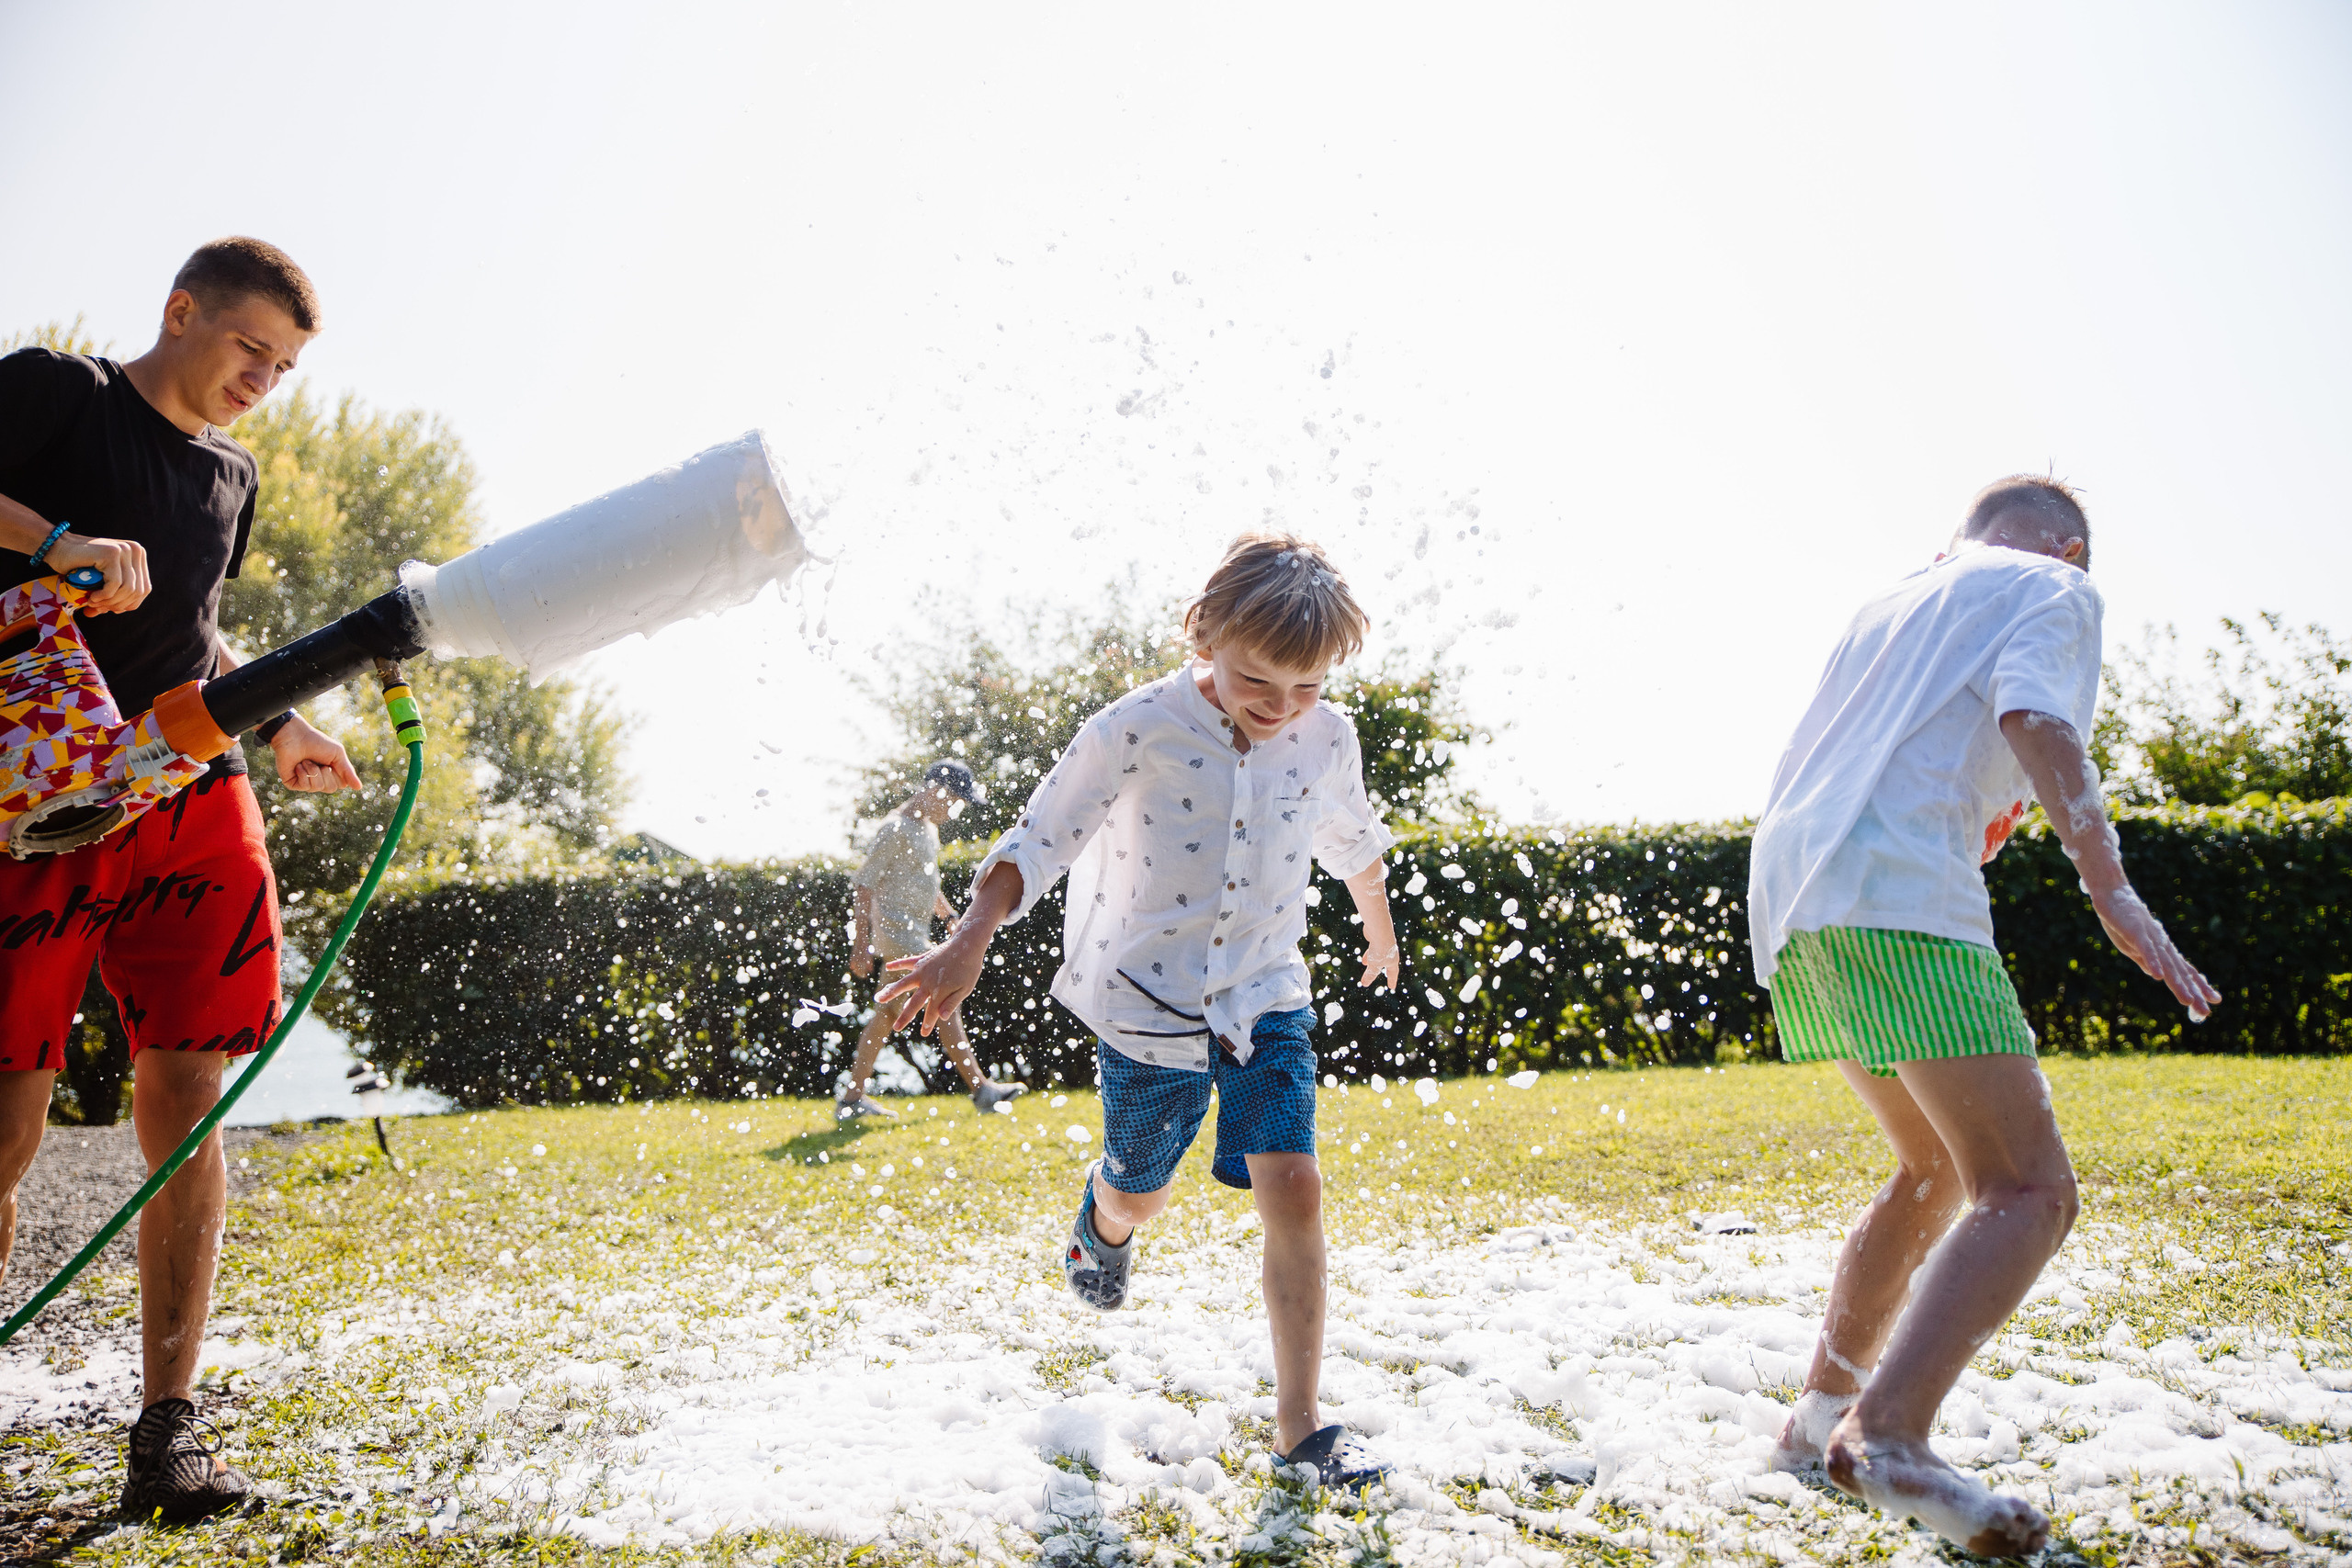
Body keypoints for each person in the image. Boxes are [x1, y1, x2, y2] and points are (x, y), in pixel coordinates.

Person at [1748, 477, 2220, 1555]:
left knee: (1932, 1168)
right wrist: (2112, 890)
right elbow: (2037, 716)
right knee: (2029, 1188)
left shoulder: (1897, 601)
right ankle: (1890, 1437)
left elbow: (1911, 758)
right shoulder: (2053, 583)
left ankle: (1814, 1419)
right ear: (2067, 549)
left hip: (1792, 895)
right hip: (1892, 893)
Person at [879, 532, 1403, 1484]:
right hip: (1147, 1003)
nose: (1283, 709)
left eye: (1309, 688)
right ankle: (1103, 1226)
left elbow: (1348, 832)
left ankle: (1301, 1429)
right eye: (1259, 682)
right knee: (1142, 1191)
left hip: (1264, 994)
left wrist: (1379, 925)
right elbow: (1041, 835)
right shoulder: (1138, 725)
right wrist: (970, 937)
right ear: (1202, 635)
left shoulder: (1327, 736)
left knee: (1293, 1183)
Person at [0, 238, 361, 1523]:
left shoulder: (231, 471)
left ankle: (167, 1432)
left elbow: (195, 627)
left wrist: (280, 724)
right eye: (248, 348)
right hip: (36, 795)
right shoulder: (58, 393)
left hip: (188, 790)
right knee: (11, 1117)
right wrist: (52, 539)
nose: (262, 378)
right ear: (180, 310)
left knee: (191, 1092)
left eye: (285, 366)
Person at [841, 760, 1026, 1117]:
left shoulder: (927, 830)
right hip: (900, 939)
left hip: (914, 936)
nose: (954, 811)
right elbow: (864, 885)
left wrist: (951, 916)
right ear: (933, 790)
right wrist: (860, 945)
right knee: (946, 1000)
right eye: (953, 801)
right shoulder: (894, 829)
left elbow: (928, 884)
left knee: (884, 1018)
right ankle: (982, 1089)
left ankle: (851, 1098)